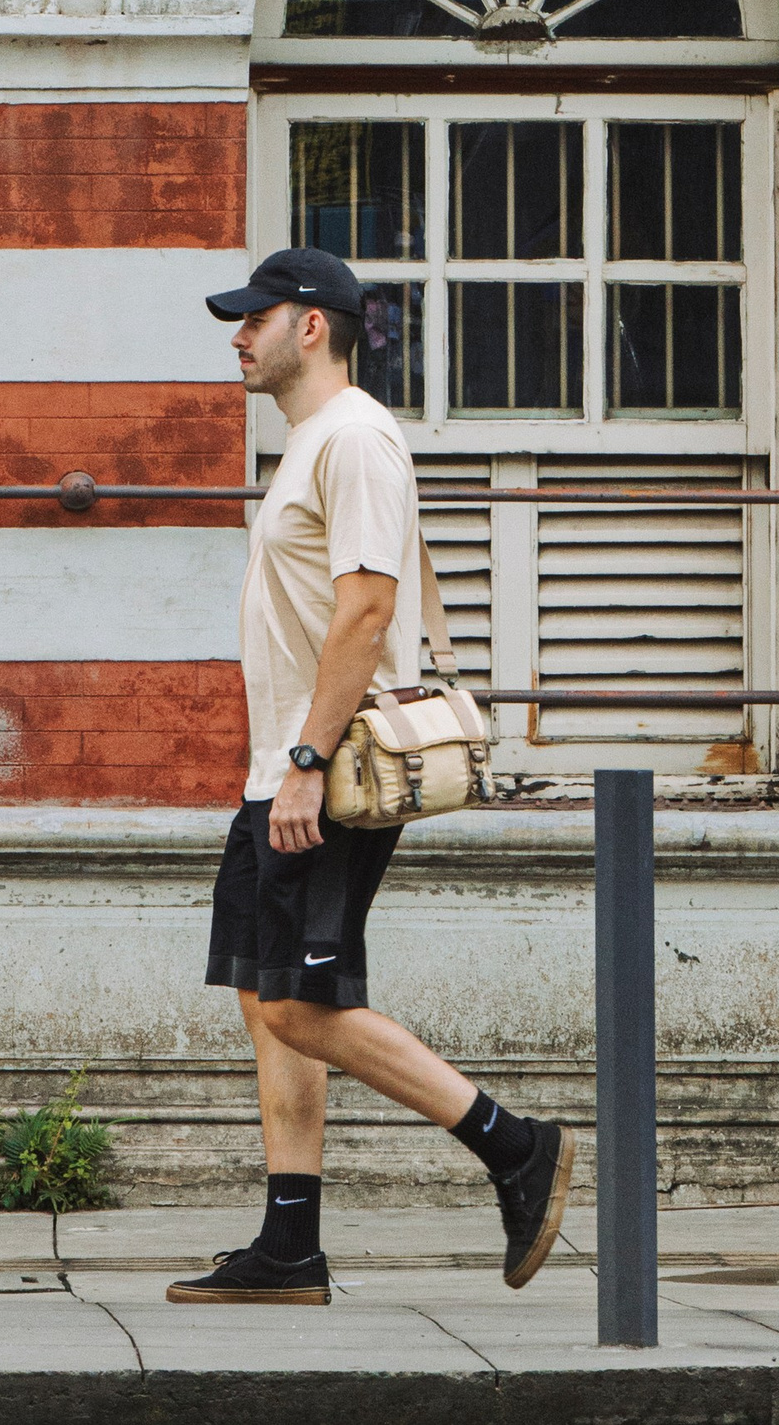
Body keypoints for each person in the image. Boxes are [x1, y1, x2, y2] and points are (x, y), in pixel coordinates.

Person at [167, 242, 575, 1308]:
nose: (236, 333)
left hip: (328, 768)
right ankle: (289, 1246)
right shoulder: (314, 443)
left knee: (303, 1004)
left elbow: (366, 609)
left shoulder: (352, 438)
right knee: (269, 998)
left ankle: (514, 1143)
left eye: (253, 315)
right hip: (284, 765)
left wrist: (304, 759)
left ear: (311, 323)